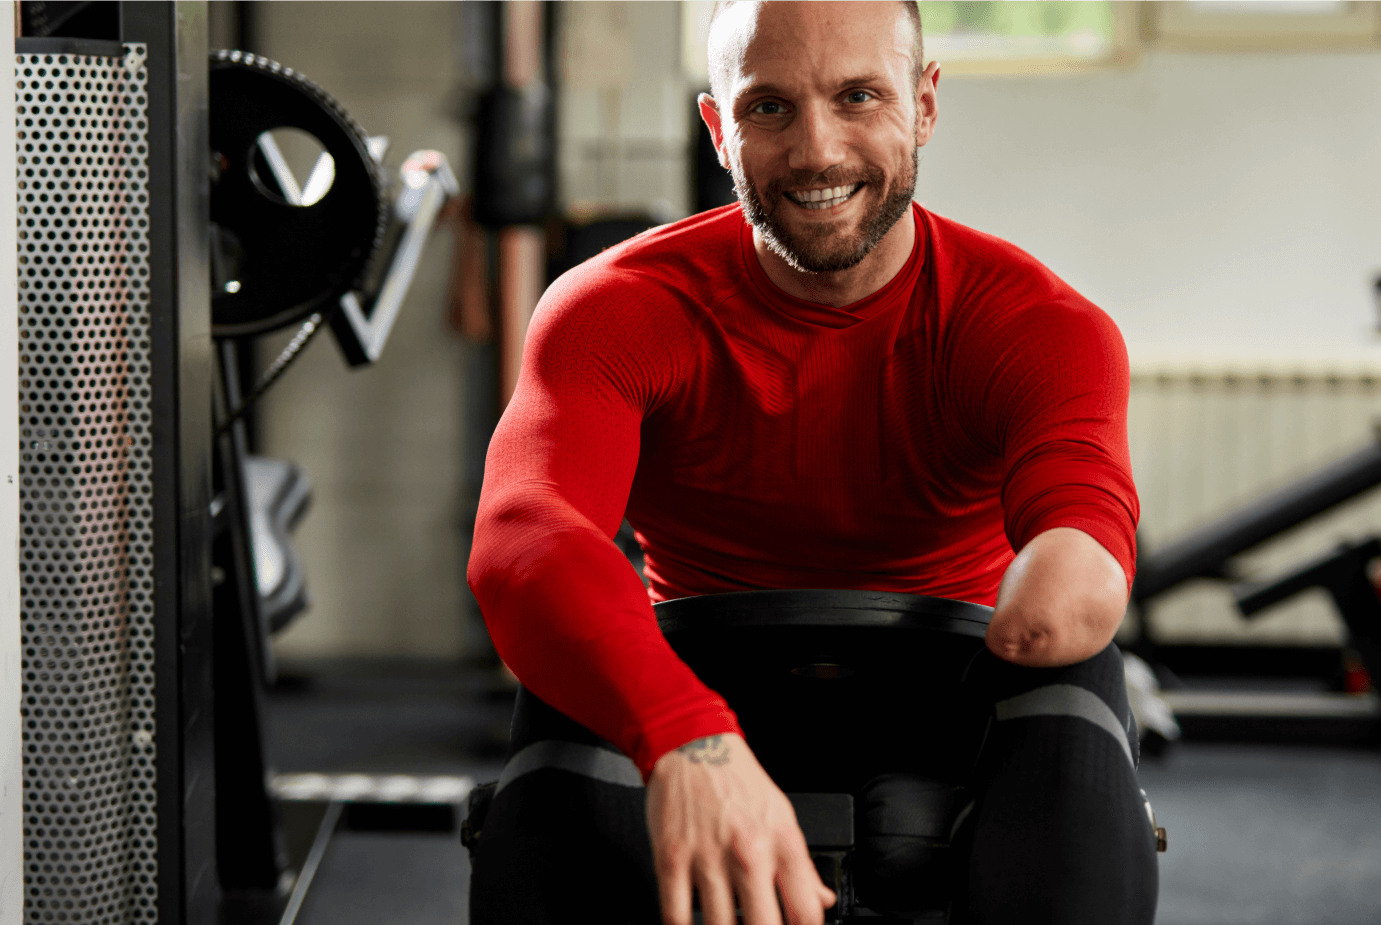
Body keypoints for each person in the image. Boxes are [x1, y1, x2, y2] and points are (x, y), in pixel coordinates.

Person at [467, 2, 1159, 923]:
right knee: (561, 736)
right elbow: (528, 534)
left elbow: (1080, 517)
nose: (817, 151)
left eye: (859, 97)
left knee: (1076, 707)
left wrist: (1069, 575)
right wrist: (686, 738)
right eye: (769, 108)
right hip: (696, 673)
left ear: (924, 105)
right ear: (718, 129)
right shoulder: (615, 308)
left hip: (963, 680)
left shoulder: (1035, 325)